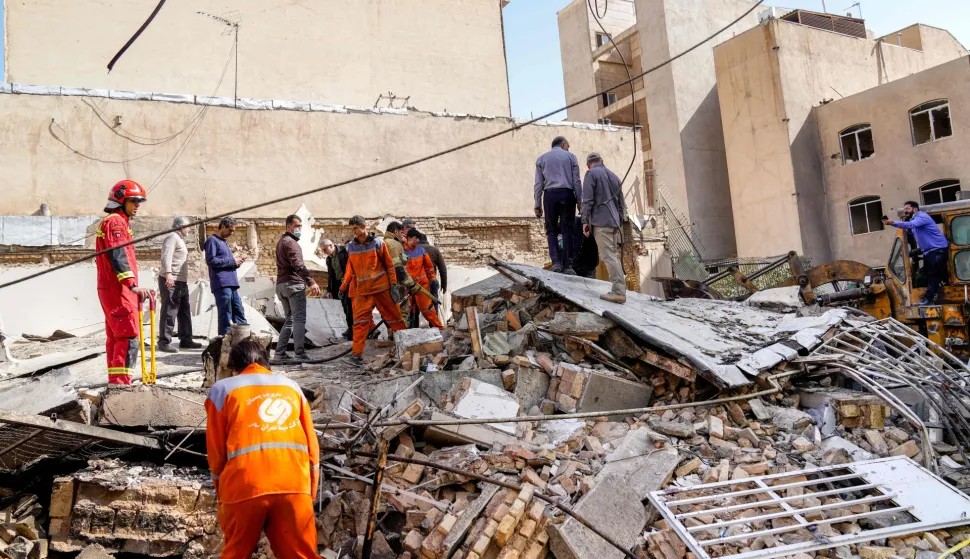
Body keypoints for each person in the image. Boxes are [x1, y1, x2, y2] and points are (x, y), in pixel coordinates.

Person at [205, 339, 319, 559]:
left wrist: (222, 493)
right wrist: (309, 492)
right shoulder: (291, 387)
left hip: (244, 486)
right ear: (267, 364)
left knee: (235, 554)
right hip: (294, 486)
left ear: (234, 367)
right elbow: (312, 447)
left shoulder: (222, 390)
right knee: (302, 555)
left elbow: (216, 452)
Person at [96, 180, 154, 385]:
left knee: (116, 337)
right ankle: (121, 385)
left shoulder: (118, 221)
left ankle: (115, 384)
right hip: (118, 289)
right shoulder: (116, 222)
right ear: (121, 200)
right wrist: (132, 284)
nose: (137, 205)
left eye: (139, 201)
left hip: (113, 288)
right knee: (128, 336)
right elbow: (117, 254)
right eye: (134, 201)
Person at [340, 216, 407, 366]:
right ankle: (356, 355)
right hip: (363, 293)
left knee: (396, 319)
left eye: (355, 228)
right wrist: (343, 287)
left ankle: (408, 349)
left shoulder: (378, 243)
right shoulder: (352, 247)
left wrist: (394, 285)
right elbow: (350, 269)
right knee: (360, 323)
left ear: (364, 226)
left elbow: (389, 265)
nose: (354, 232)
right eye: (352, 229)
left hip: (382, 289)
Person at [581, 152, 627, 304]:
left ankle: (619, 292)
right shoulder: (614, 176)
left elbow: (587, 200)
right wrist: (619, 221)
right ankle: (619, 289)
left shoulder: (591, 174)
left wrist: (585, 221)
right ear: (602, 161)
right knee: (613, 255)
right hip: (615, 223)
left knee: (608, 256)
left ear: (589, 164)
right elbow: (622, 205)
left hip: (601, 223)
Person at [274, 215, 322, 361]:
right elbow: (298, 265)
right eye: (297, 226)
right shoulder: (291, 243)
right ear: (289, 227)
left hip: (281, 285)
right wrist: (311, 281)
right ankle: (299, 353)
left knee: (289, 320)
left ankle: (279, 353)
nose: (300, 228)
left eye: (301, 226)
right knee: (299, 319)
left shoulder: (281, 242)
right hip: (293, 285)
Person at [883, 201, 949, 305]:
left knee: (933, 275)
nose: (906, 211)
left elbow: (911, 225)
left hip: (937, 249)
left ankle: (928, 300)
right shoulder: (915, 221)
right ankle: (931, 297)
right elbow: (911, 230)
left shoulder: (922, 216)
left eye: (908, 209)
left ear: (915, 209)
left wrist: (893, 223)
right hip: (930, 251)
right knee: (929, 274)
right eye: (904, 209)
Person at [534, 136, 582, 275]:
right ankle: (568, 266)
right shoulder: (571, 157)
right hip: (567, 195)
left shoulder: (541, 159)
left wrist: (537, 204)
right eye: (568, 146)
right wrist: (579, 201)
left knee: (551, 230)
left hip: (550, 195)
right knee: (567, 230)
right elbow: (577, 181)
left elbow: (538, 184)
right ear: (563, 144)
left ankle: (555, 263)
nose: (569, 148)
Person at [157, 216, 202, 353]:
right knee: (170, 311)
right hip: (171, 279)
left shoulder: (180, 239)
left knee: (184, 311)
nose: (189, 229)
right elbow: (166, 256)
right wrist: (169, 274)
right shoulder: (172, 237)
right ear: (181, 226)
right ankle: (164, 342)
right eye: (188, 226)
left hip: (181, 281)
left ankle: (186, 339)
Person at [204, 217, 247, 336]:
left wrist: (236, 263)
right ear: (222, 226)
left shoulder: (224, 242)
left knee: (239, 311)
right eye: (230, 230)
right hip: (221, 283)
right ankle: (224, 340)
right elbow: (211, 260)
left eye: (233, 231)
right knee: (225, 312)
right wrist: (232, 261)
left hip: (232, 283)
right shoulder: (212, 240)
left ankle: (243, 340)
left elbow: (226, 261)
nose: (231, 233)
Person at [403, 229, 444, 329]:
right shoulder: (401, 251)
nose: (417, 240)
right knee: (408, 312)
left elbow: (429, 268)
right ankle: (408, 333)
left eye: (418, 238)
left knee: (428, 310)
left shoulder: (421, 250)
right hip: (408, 287)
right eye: (415, 238)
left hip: (422, 287)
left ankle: (439, 329)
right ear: (408, 238)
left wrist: (433, 279)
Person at [319, 239, 354, 340]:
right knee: (345, 307)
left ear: (331, 245)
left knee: (350, 307)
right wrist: (329, 290)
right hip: (339, 285)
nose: (324, 252)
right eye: (323, 250)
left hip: (349, 282)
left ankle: (352, 330)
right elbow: (331, 275)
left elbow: (350, 267)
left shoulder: (344, 252)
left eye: (325, 249)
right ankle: (350, 329)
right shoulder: (329, 259)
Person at [416, 232, 447, 319]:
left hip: (416, 282)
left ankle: (414, 327)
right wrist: (444, 286)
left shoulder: (413, 250)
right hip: (431, 281)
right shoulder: (434, 250)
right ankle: (434, 326)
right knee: (433, 303)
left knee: (415, 306)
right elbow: (443, 269)